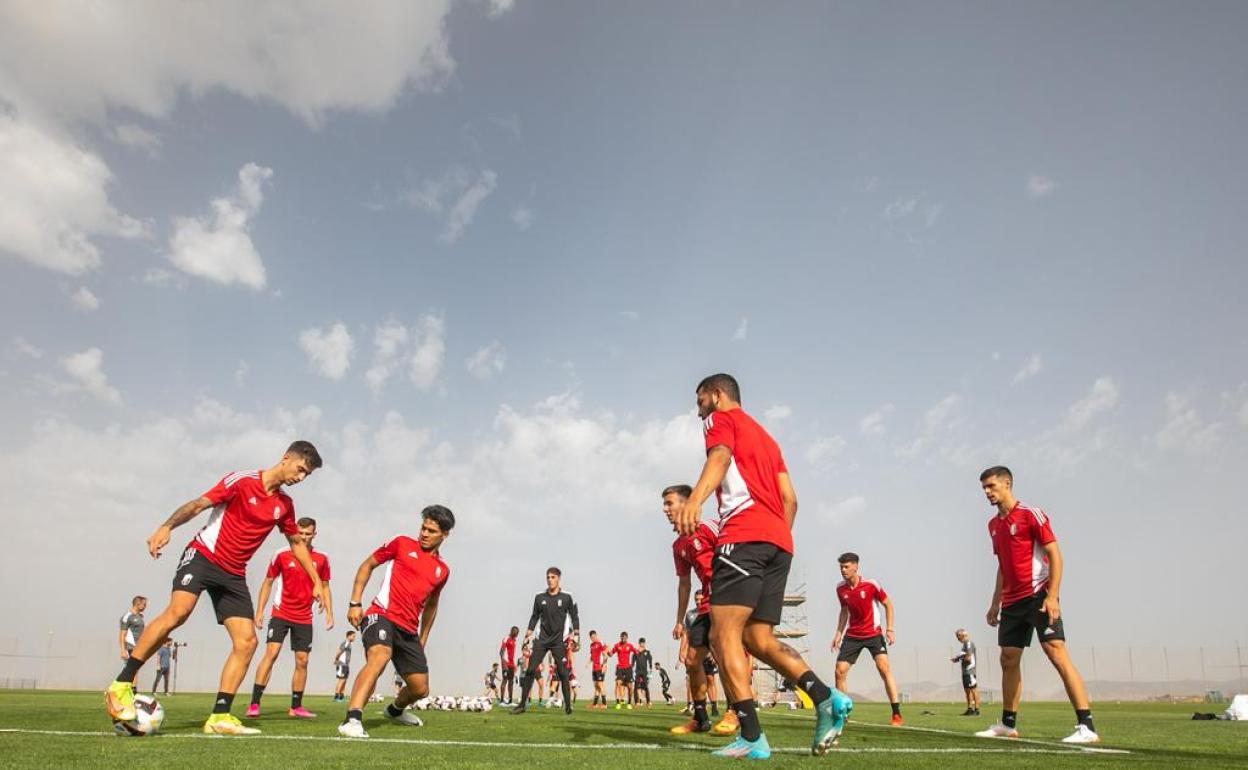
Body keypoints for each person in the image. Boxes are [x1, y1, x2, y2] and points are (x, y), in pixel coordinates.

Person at [674, 374, 851, 758]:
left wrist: (696, 500)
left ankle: (752, 737)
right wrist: (775, 539)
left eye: (700, 398)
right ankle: (825, 699)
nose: (697, 407)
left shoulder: (720, 420)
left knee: (723, 635)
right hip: (778, 543)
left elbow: (719, 457)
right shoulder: (768, 439)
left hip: (743, 536)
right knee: (758, 639)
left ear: (717, 395)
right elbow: (791, 499)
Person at [104, 441, 326, 736]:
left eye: (306, 476)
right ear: (286, 458)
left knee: (247, 642)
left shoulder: (284, 505)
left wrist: (316, 582)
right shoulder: (242, 481)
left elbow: (296, 543)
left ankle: (220, 716)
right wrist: (166, 527)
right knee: (178, 613)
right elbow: (198, 504)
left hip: (233, 574)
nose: (301, 478)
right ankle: (121, 685)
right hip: (204, 556)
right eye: (300, 470)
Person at [975, 466, 1099, 744]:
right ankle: (1008, 724)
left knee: (1056, 653)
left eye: (991, 486)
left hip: (1039, 595)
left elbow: (1056, 554)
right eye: (984, 488)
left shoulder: (1031, 514)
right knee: (1008, 659)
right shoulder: (994, 525)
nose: (987, 492)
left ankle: (1086, 726)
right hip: (1012, 602)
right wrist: (995, 602)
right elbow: (1002, 566)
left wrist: (1052, 596)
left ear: (1007, 484)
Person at [338, 504, 455, 739]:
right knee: (380, 655)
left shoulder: (442, 570)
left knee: (420, 689)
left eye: (431, 531)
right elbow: (367, 565)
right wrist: (354, 602)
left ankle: (394, 711)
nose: (424, 533)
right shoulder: (401, 543)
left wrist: (422, 638)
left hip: (408, 629)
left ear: (445, 535)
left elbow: (432, 606)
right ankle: (352, 719)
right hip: (380, 614)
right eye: (423, 527)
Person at [246, 517, 334, 718]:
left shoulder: (322, 558)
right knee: (272, 653)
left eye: (307, 534)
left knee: (302, 660)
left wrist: (329, 611)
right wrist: (259, 611)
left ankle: (296, 706)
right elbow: (268, 583)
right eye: (300, 533)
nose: (303, 538)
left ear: (314, 534)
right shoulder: (281, 554)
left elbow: (326, 586)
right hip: (281, 612)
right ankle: (254, 703)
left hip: (304, 617)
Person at [664, 482, 728, 736]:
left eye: (669, 503)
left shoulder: (710, 527)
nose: (665, 509)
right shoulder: (678, 546)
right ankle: (700, 719)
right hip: (705, 603)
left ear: (687, 502)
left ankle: (735, 712)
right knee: (692, 660)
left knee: (727, 656)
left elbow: (736, 554)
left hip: (727, 598)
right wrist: (679, 620)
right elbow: (684, 583)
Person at [832, 552, 902, 726]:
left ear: (856, 567)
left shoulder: (871, 585)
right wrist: (838, 634)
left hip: (873, 634)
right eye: (841, 566)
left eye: (846, 566)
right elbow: (844, 611)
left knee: (883, 668)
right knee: (839, 671)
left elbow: (888, 604)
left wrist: (890, 629)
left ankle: (896, 713)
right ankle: (844, 714)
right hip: (853, 635)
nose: (843, 570)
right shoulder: (840, 589)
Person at [511, 567, 580, 715]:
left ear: (559, 578)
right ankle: (522, 705)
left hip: (558, 641)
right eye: (548, 577)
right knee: (530, 670)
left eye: (553, 577)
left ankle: (568, 706)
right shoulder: (539, 597)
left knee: (563, 673)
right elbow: (534, 617)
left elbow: (574, 616)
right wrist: (526, 638)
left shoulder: (567, 597)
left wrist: (576, 636)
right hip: (541, 640)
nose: (550, 580)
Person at [951, 629, 980, 716]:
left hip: (970, 670)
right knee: (967, 691)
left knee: (973, 690)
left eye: (958, 636)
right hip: (965, 672)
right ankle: (970, 709)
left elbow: (968, 658)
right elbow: (965, 657)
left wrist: (959, 658)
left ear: (963, 635)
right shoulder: (964, 645)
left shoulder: (969, 644)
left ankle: (977, 710)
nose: (957, 638)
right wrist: (957, 659)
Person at [118, 596, 147, 682]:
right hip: (130, 647)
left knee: (134, 670)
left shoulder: (140, 616)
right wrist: (123, 650)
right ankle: (118, 690)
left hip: (137, 647)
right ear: (138, 604)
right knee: (130, 670)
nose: (145, 607)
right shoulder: (127, 616)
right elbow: (122, 634)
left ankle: (132, 692)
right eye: (144, 604)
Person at [608, 632, 637, 708]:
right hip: (620, 667)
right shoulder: (617, 645)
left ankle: (629, 703)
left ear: (627, 638)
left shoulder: (630, 646)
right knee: (618, 684)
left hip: (628, 668)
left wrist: (639, 651)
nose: (623, 639)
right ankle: (618, 703)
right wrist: (608, 652)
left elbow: (636, 652)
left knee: (630, 686)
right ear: (620, 637)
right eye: (622, 638)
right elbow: (611, 654)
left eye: (625, 638)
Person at [588, 630, 608, 709]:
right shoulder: (591, 645)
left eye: (594, 636)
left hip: (600, 667)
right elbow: (592, 656)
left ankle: (605, 704)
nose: (593, 638)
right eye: (591, 637)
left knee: (600, 685)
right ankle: (595, 704)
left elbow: (605, 655)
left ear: (596, 635)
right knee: (596, 686)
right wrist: (588, 663)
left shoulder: (601, 642)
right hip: (594, 668)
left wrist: (604, 665)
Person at [333, 630, 356, 702]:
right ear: (349, 636)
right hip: (342, 664)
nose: (354, 638)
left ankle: (341, 697)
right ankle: (336, 697)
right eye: (353, 636)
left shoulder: (349, 643)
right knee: (341, 680)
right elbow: (340, 650)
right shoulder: (346, 642)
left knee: (344, 680)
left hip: (346, 665)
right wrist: (336, 659)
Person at [499, 626, 519, 705]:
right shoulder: (506, 638)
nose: (516, 634)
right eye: (515, 632)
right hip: (506, 663)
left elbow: (512, 653)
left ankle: (510, 701)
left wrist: (514, 666)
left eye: (517, 633)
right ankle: (501, 701)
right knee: (505, 681)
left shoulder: (514, 640)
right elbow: (501, 652)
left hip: (511, 664)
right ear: (511, 631)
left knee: (511, 682)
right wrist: (504, 665)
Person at [633, 638, 654, 707]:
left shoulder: (647, 652)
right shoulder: (636, 651)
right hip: (637, 671)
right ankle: (637, 702)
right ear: (639, 643)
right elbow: (633, 660)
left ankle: (648, 702)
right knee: (636, 687)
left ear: (644, 643)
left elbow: (650, 660)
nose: (642, 644)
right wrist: (632, 667)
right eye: (641, 642)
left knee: (645, 687)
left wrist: (651, 667)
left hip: (644, 672)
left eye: (643, 643)